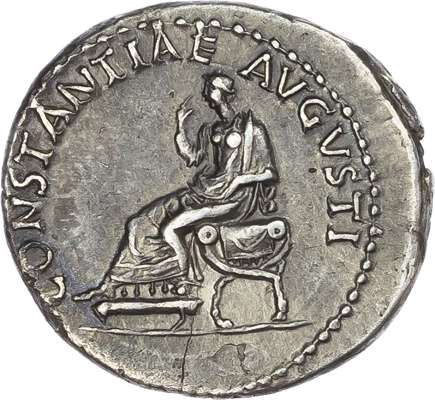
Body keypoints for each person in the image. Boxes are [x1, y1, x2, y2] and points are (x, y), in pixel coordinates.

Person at [74, 73, 279, 301]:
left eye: (210, 89)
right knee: (138, 223)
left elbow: (270, 173)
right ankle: (109, 285)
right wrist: (180, 127)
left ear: (224, 93)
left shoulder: (252, 130)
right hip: (206, 191)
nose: (205, 94)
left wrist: (238, 181)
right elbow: (193, 158)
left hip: (234, 200)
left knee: (170, 230)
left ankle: (186, 278)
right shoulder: (211, 130)